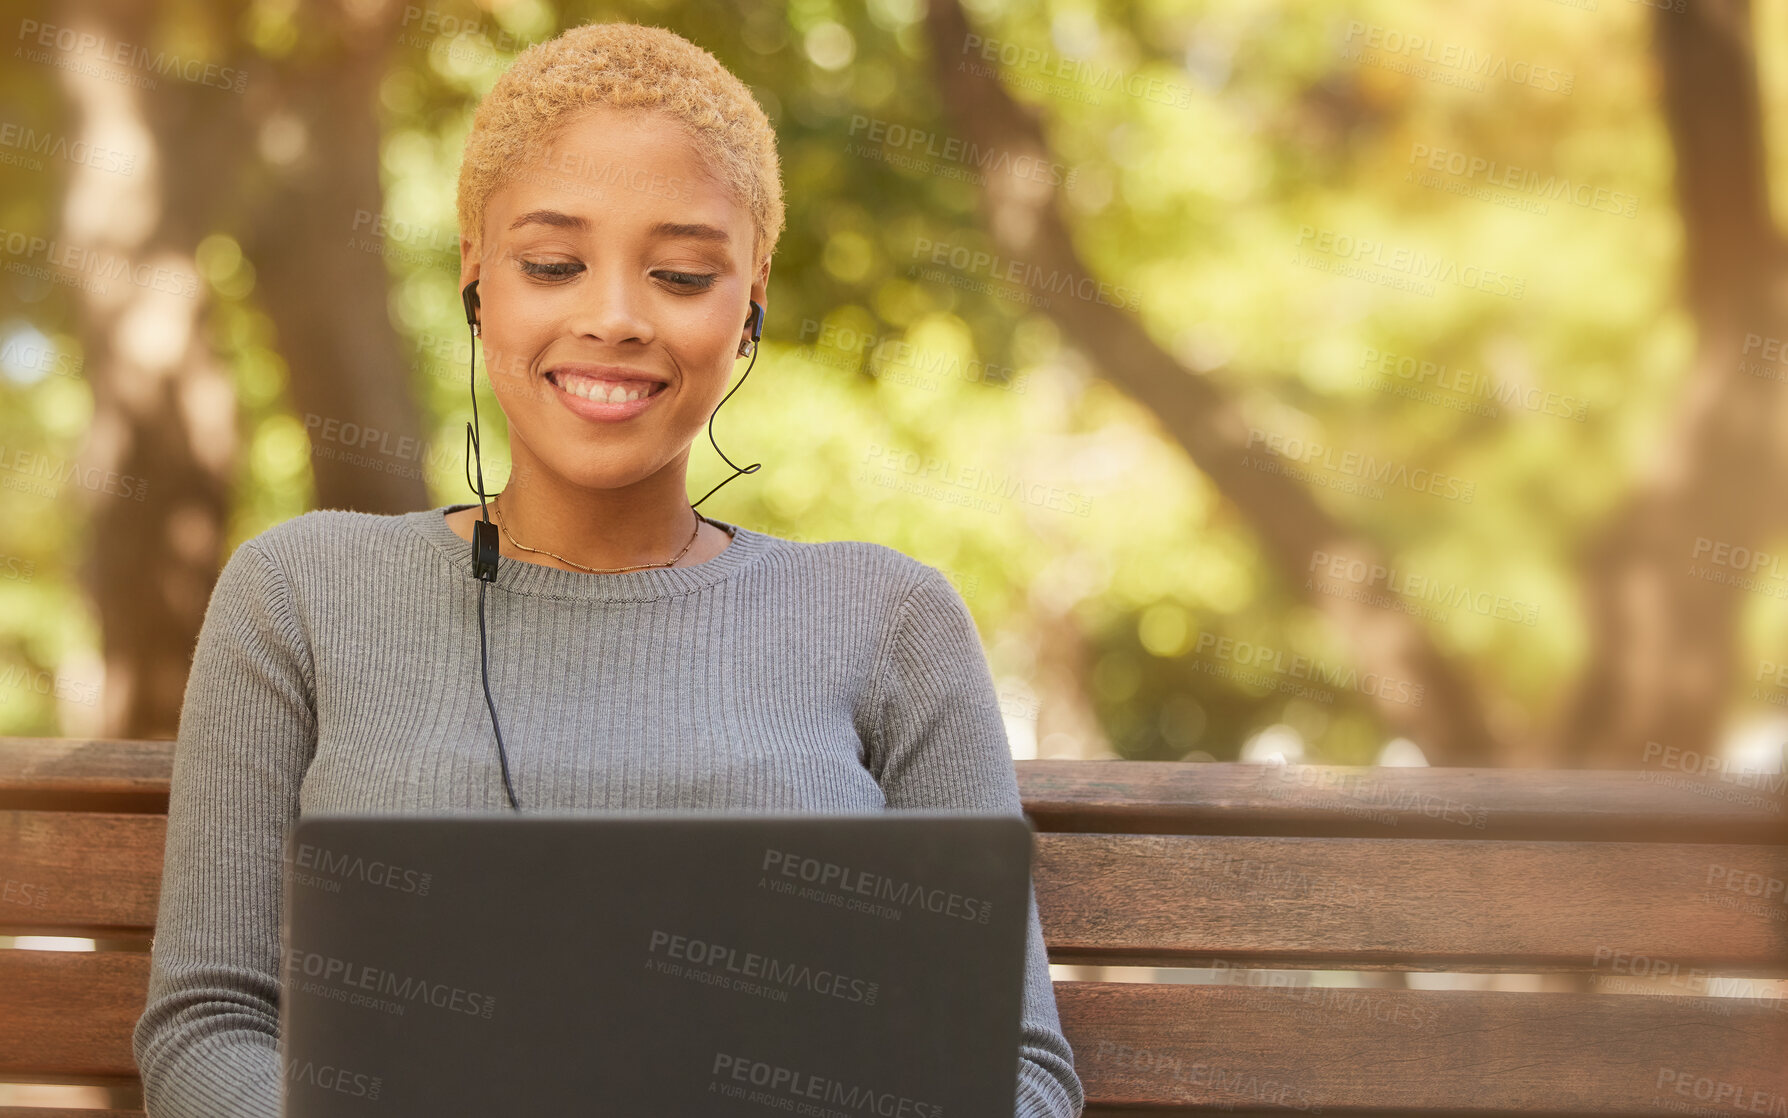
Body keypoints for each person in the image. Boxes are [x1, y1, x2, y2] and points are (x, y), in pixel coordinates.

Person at [131, 20, 1084, 1117]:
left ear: (750, 299)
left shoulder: (889, 619)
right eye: (552, 264)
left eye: (680, 273)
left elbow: (1020, 1069)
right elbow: (210, 1024)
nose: (615, 317)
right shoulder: (298, 593)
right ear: (478, 278)